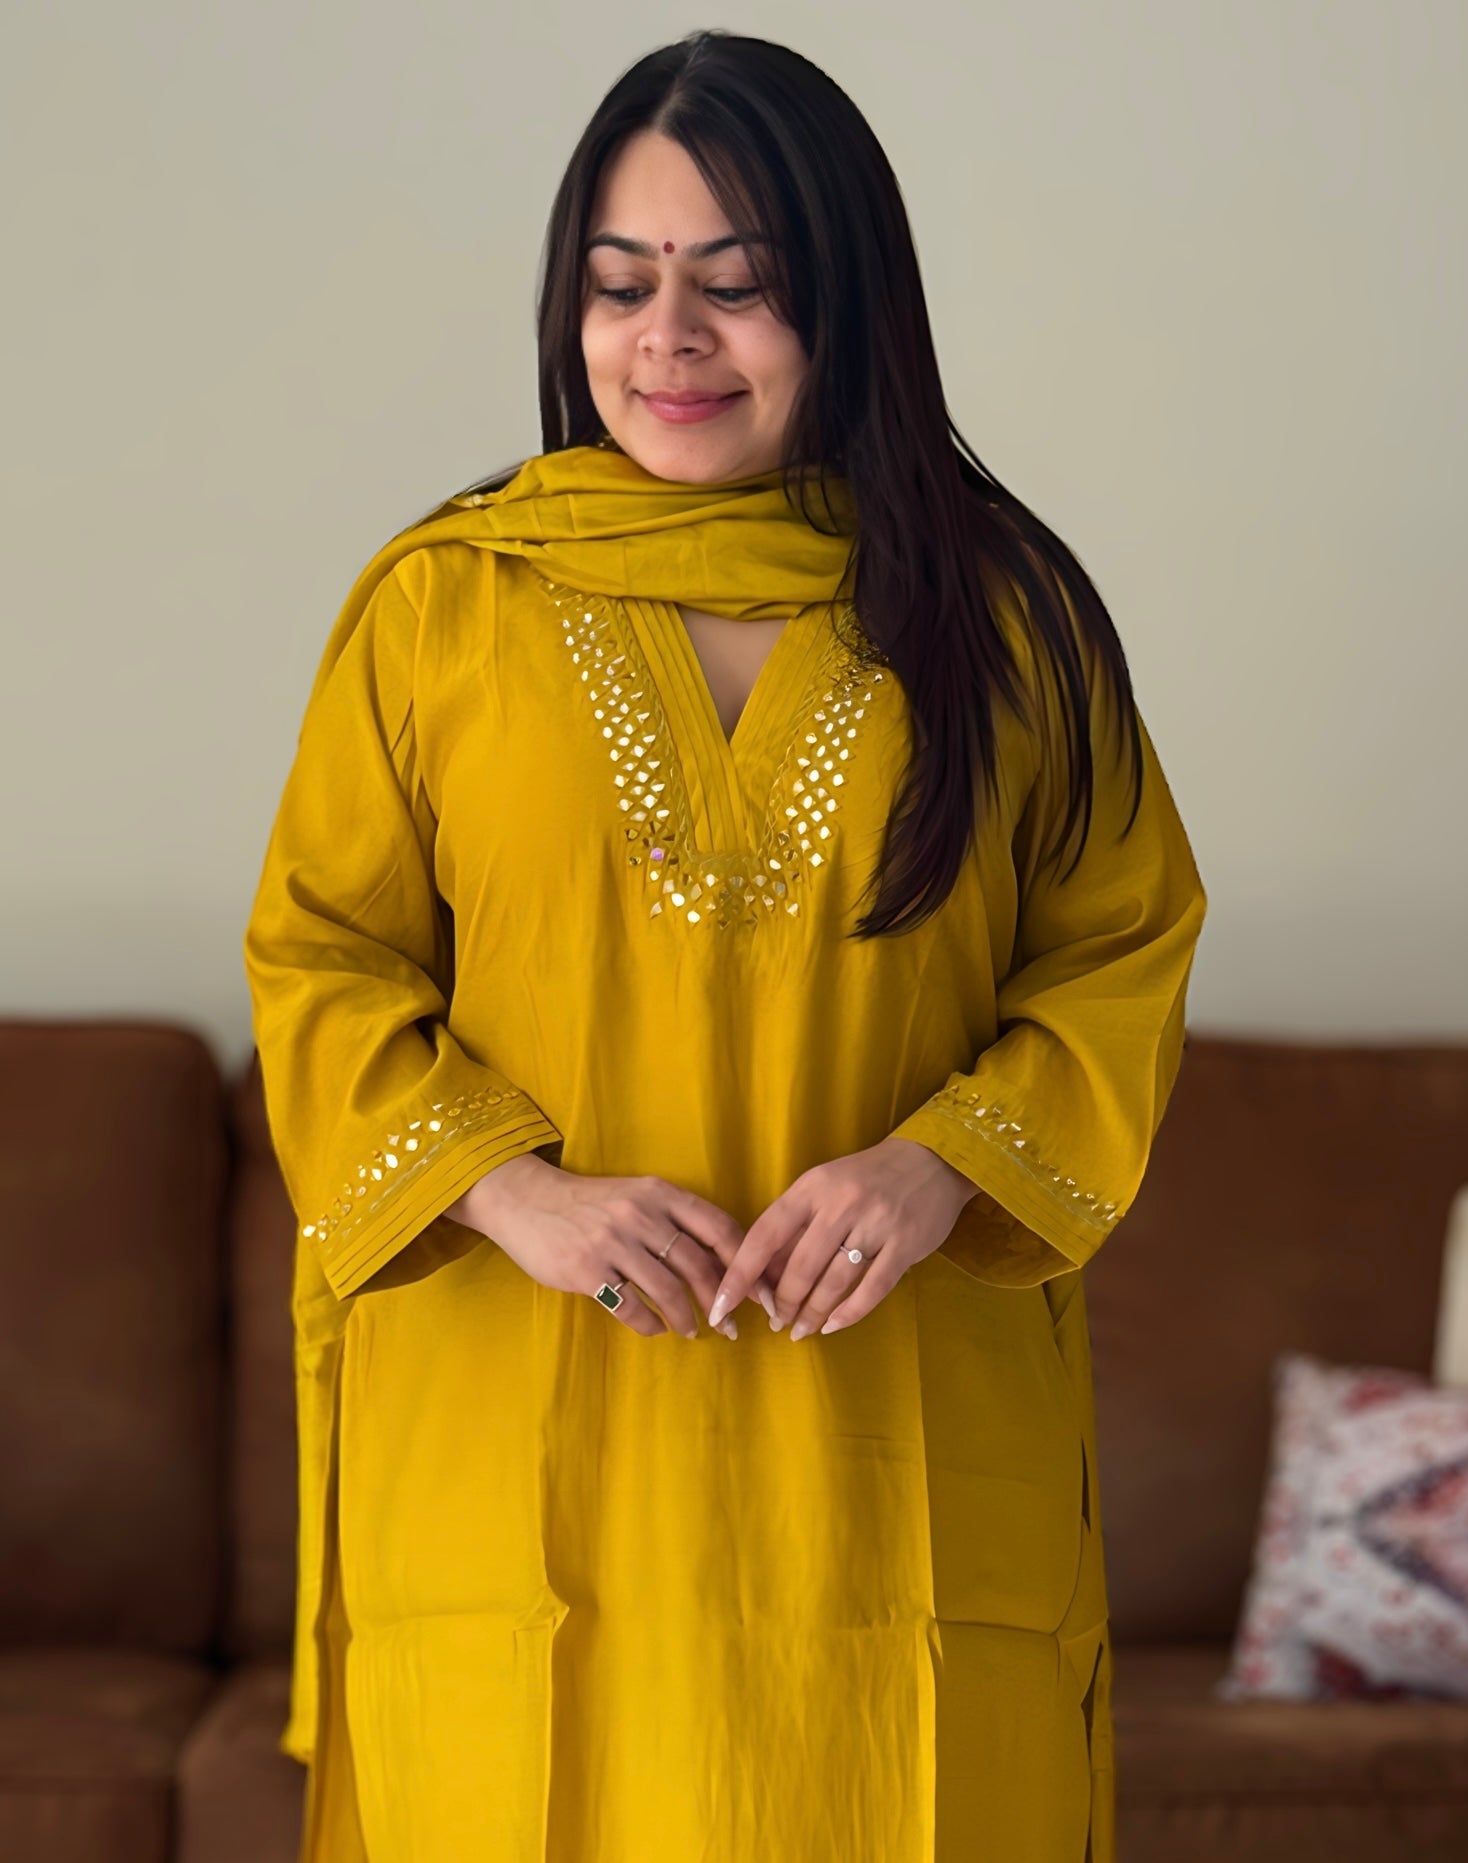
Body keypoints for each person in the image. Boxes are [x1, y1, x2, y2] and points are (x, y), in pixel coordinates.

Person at [243, 27, 1207, 1863]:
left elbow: (1119, 946)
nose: (665, 338)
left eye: (737, 287)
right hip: (523, 1434)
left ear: (849, 308)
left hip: (887, 1449)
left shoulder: (1006, 626)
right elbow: (322, 961)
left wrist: (939, 1168)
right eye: (620, 285)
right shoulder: (440, 609)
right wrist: (518, 1194)